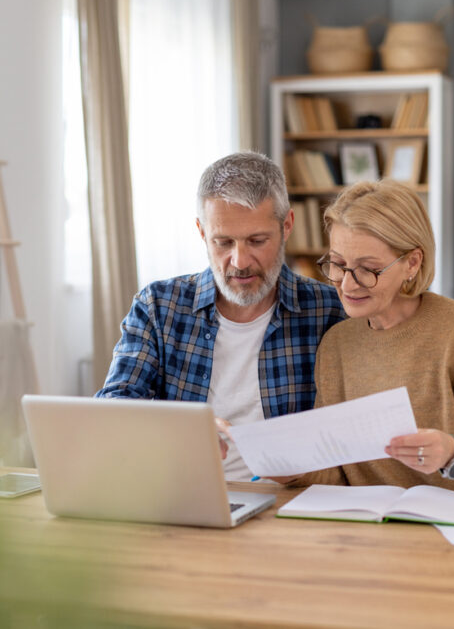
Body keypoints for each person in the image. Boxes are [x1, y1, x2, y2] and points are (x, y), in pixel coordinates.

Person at [278, 180, 454, 497]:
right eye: (337, 264)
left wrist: (453, 452)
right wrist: (293, 470)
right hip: (383, 532)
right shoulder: (336, 344)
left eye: (367, 269)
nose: (347, 286)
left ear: (412, 263)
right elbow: (342, 474)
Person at [96, 152, 346, 480]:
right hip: (182, 491)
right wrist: (184, 429)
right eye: (223, 242)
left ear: (287, 226)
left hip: (287, 502)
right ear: (201, 231)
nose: (240, 261)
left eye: (257, 241)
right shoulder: (158, 307)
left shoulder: (329, 311)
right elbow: (113, 408)